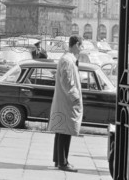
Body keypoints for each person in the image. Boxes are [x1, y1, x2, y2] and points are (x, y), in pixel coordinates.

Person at [48, 35, 84, 173]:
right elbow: (67, 81)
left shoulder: (68, 59)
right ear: (76, 45)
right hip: (67, 101)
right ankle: (63, 162)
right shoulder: (68, 61)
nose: (82, 49)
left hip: (65, 101)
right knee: (65, 130)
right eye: (81, 45)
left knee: (62, 130)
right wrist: (75, 97)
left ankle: (59, 160)